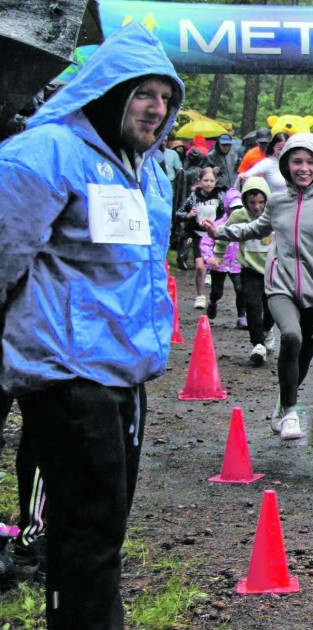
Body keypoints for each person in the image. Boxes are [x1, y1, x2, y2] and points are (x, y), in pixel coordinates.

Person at [0, 22, 182, 628]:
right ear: (108, 91)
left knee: (104, 529)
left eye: (166, 96)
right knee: (86, 532)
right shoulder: (43, 153)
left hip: (125, 375)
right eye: (143, 93)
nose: (157, 109)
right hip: (67, 374)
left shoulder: (150, 167)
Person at [205, 133, 313, 440]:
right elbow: (255, 228)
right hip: (280, 285)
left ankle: (283, 400)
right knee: (290, 336)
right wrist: (220, 231)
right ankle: (290, 414)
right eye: (296, 161)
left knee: (302, 362)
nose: (303, 168)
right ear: (285, 163)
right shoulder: (277, 201)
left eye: (310, 162)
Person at [213, 177, 274, 364]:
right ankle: (258, 345)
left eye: (261, 202)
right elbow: (225, 233)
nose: (257, 207)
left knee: (271, 309)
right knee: (253, 306)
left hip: (273, 271)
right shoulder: (239, 216)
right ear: (245, 202)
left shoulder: (275, 215)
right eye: (252, 203)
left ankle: (267, 330)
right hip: (249, 269)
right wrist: (218, 254)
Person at [176, 167, 229, 309]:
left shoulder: (220, 196)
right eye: (205, 180)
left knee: (217, 268)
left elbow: (228, 212)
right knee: (200, 267)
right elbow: (178, 213)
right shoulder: (193, 197)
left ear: (216, 181)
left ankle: (214, 296)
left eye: (212, 181)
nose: (208, 184)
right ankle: (200, 296)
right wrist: (188, 215)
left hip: (216, 236)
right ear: (199, 182)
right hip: (198, 236)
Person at [203, 187, 246, 325]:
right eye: (234, 208)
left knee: (241, 289)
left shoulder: (247, 226)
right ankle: (212, 302)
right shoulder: (218, 225)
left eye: (240, 207)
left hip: (237, 263)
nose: (237, 211)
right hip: (219, 263)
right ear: (227, 208)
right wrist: (209, 257)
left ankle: (242, 316)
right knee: (217, 291)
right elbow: (206, 242)